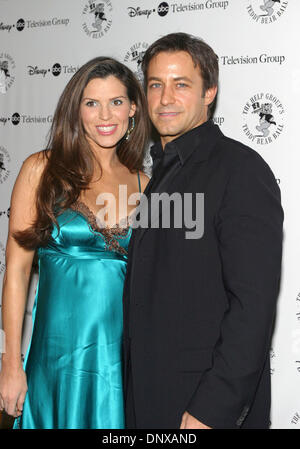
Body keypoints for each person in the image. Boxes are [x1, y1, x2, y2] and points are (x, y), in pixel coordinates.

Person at [122, 32, 284, 429]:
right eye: (156, 84)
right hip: (148, 400)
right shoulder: (159, 173)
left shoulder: (240, 170)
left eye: (181, 85)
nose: (165, 98)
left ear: (209, 92)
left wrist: (212, 411)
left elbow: (253, 306)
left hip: (200, 410)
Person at [0, 57, 149, 429]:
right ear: (76, 110)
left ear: (133, 109)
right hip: (55, 358)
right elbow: (17, 272)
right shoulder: (41, 170)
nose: (105, 115)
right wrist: (11, 363)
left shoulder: (144, 185)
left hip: (118, 364)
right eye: (92, 103)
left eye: (116, 101)